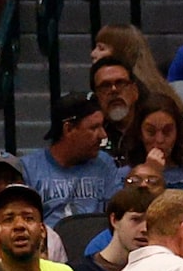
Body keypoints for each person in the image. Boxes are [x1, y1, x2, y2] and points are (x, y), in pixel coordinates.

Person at [19, 94, 120, 230]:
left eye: (102, 126)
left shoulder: (104, 164)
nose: (103, 135)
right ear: (68, 129)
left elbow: (117, 216)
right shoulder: (29, 168)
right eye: (94, 128)